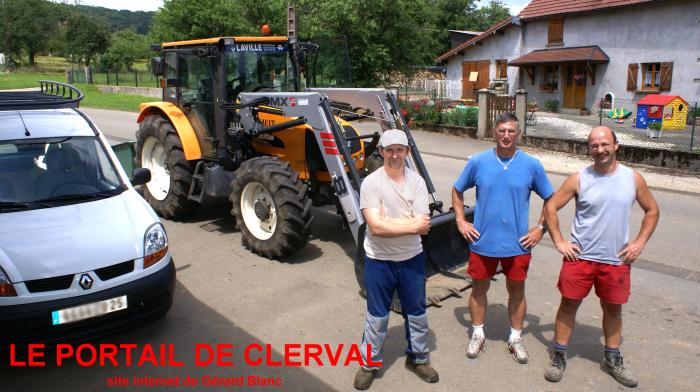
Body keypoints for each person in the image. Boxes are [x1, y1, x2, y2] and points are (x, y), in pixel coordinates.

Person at [543, 126, 659, 387]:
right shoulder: (579, 178)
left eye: (605, 144)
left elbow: (652, 210)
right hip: (579, 258)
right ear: (589, 148)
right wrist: (559, 241)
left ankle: (612, 359)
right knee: (568, 306)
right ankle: (559, 355)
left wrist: (639, 243)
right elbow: (551, 206)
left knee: (612, 309)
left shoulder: (633, 179)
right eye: (594, 145)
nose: (600, 150)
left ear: (616, 145)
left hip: (616, 260)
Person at [452, 113, 554, 364]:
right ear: (494, 132)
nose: (506, 135)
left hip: (518, 243)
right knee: (478, 289)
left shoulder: (532, 165)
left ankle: (516, 337)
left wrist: (541, 228)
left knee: (517, 290)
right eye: (501, 131)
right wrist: (460, 221)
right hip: (483, 241)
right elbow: (457, 189)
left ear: (519, 134)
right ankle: (477, 333)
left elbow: (551, 199)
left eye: (511, 131)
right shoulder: (478, 162)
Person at [354, 129, 438, 390]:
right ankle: (369, 364)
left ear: (407, 152)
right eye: (389, 149)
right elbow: (375, 228)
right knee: (377, 316)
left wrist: (390, 222)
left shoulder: (417, 183)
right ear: (381, 151)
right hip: (378, 260)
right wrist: (409, 224)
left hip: (411, 259)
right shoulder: (371, 183)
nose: (394, 154)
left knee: (417, 313)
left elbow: (423, 224)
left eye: (399, 149)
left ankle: (418, 358)